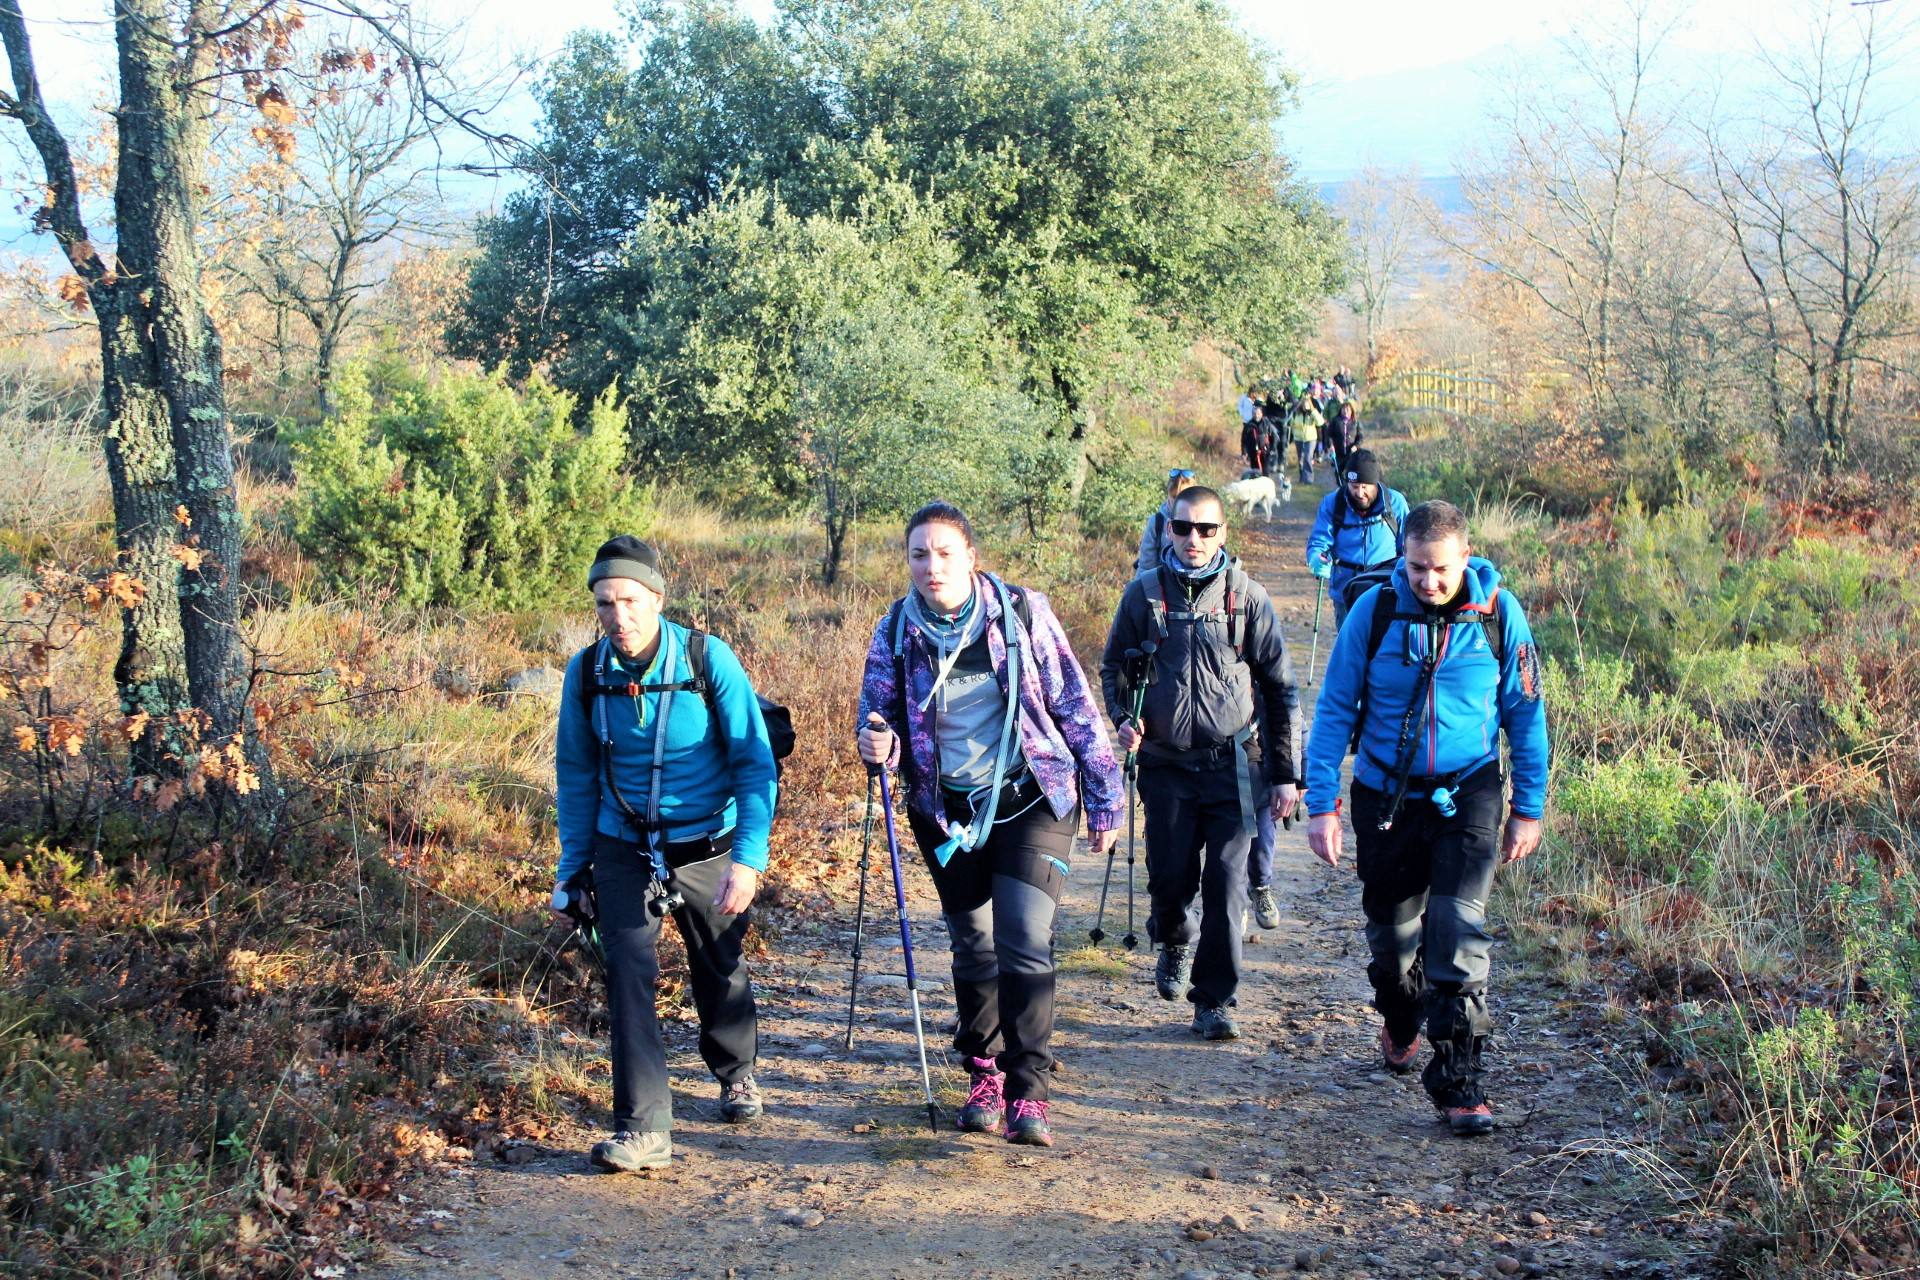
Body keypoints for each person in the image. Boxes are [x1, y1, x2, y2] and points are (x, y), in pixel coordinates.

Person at [857, 502, 1124, 1148]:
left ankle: (1028, 1092)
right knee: (973, 945)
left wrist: (1106, 796)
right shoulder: (896, 631)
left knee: (1023, 939)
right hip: (946, 812)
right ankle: (984, 1074)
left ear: (972, 557)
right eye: (919, 554)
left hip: (1033, 797)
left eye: (945, 553)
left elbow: (1073, 703)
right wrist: (876, 743)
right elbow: (877, 715)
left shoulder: (1021, 613)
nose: (932, 566)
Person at [1301, 500, 1547, 1136]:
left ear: (1466, 558)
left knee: (1457, 931)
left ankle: (1460, 1082)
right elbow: (1332, 711)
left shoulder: (1500, 616)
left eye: (1439, 570)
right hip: (1386, 797)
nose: (1427, 582)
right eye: (1415, 569)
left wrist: (1528, 808)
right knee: (1393, 941)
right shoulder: (1374, 611)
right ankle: (1400, 1014)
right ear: (1402, 560)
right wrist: (1321, 804)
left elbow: (1525, 714)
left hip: (1469, 793)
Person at [552, 536, 780, 1173]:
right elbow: (575, 773)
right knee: (628, 971)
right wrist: (572, 869)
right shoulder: (587, 673)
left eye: (629, 600)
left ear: (657, 597)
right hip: (622, 844)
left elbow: (753, 761)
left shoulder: (708, 660)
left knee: (718, 963)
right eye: (604, 603)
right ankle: (643, 1129)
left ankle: (735, 1070)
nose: (618, 617)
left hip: (707, 840)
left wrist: (748, 859)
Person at [1100, 487, 1301, 1042]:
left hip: (1234, 766)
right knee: (1169, 883)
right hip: (1165, 765)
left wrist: (1286, 774)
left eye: (1207, 529)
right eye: (1184, 528)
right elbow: (1113, 664)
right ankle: (1173, 936)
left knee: (1227, 884)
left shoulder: (1248, 598)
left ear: (1223, 532)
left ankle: (1214, 1000)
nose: (1195, 539)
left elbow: (1281, 691)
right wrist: (1121, 716)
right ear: (1168, 529)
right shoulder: (1144, 595)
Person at [1305, 450, 1410, 630]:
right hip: (1345, 591)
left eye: (1364, 486)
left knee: (1382, 648)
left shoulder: (1395, 504)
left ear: (1375, 483)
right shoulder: (1333, 504)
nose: (1359, 493)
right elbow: (1319, 541)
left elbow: (1408, 547)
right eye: (1354, 486)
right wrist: (1316, 558)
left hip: (1385, 589)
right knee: (1349, 648)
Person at [1137, 468, 1198, 574]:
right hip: (1162, 586)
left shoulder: (1204, 523)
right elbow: (1146, 566)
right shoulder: (1157, 522)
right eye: (1174, 497)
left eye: (1183, 497)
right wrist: (1139, 588)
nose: (1178, 502)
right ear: (1168, 494)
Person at [1288, 396, 1321, 484]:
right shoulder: (1296, 413)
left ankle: (1309, 478)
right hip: (1299, 438)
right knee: (1301, 459)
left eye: (1307, 404)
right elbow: (1291, 424)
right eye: (1304, 404)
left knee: (1307, 457)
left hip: (1310, 438)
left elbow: (1320, 422)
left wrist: (1313, 412)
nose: (1305, 405)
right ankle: (1302, 478)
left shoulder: (1313, 413)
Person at [1330, 400, 1364, 474]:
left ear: (1351, 411)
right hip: (1338, 452)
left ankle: (1348, 485)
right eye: (1344, 409)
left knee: (1350, 472)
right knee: (1338, 473)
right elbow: (1329, 435)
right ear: (1341, 410)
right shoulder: (1335, 421)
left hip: (1351, 452)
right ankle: (1341, 485)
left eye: (1348, 409)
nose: (1345, 411)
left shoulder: (1356, 422)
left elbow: (1360, 437)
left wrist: (1356, 446)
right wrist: (1331, 445)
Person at [1240, 402, 1269, 475]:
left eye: (1258, 414)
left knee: (1265, 473)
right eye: (1255, 414)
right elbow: (1244, 440)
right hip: (1253, 454)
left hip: (1265, 453)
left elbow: (1273, 437)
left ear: (1261, 414)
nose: (1256, 416)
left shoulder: (1266, 424)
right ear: (1252, 415)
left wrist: (1272, 449)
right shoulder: (1248, 426)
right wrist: (1244, 453)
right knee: (1255, 473)